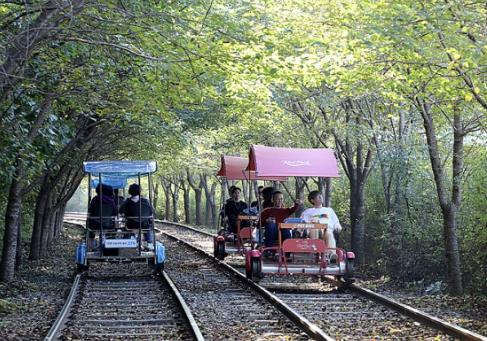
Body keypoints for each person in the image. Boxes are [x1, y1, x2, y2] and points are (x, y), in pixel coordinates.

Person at [300, 190, 342, 263]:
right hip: (313, 231)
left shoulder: (329, 210)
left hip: (326, 231)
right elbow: (301, 223)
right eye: (318, 197)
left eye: (321, 196)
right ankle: (315, 251)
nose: (321, 198)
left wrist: (338, 227)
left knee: (329, 233)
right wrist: (303, 229)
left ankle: (331, 255)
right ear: (312, 200)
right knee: (315, 220)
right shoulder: (308, 211)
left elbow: (336, 223)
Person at [259, 191, 301, 256]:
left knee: (286, 228)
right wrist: (267, 221)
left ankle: (287, 253)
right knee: (271, 225)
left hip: (284, 232)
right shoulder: (266, 211)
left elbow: (293, 209)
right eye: (277, 199)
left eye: (281, 199)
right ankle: (268, 251)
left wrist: (296, 204)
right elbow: (258, 224)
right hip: (271, 233)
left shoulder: (286, 210)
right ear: (272, 200)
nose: (280, 201)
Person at [119, 183, 155, 250]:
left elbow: (121, 211)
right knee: (147, 225)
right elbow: (152, 211)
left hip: (130, 224)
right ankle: (149, 241)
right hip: (143, 224)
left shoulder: (126, 202)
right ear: (139, 191)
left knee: (127, 224)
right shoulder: (146, 201)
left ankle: (130, 239)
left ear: (130, 191)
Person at [88, 184, 118, 249]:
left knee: (89, 222)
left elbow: (90, 210)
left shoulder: (94, 199)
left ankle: (91, 243)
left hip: (94, 224)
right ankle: (111, 242)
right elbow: (116, 212)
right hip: (108, 224)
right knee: (114, 225)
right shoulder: (111, 201)